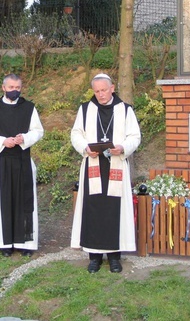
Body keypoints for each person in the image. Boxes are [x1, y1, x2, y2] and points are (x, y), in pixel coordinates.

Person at [70, 73, 141, 273]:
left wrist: (123, 147)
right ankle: (94, 257)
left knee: (113, 210)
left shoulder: (125, 110)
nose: (100, 95)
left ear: (112, 88)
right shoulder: (85, 110)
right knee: (93, 210)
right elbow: (76, 134)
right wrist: (85, 148)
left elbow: (135, 136)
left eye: (103, 90)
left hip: (115, 164)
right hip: (93, 165)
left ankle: (114, 257)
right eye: (97, 91)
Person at [0, 74, 44, 257]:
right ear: (3, 88)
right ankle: (4, 243)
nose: (14, 90)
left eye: (17, 87)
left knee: (25, 201)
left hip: (22, 158)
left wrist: (25, 138)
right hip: (1, 161)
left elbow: (38, 131)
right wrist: (2, 141)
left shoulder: (29, 108)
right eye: (11, 87)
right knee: (2, 201)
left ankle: (26, 244)